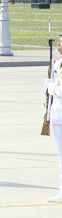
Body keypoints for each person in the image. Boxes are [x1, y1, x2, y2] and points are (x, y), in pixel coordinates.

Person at [44, 36, 62, 203]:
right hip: (57, 115)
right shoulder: (57, 64)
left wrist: (51, 87)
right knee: (60, 157)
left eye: (61, 42)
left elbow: (59, 90)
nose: (58, 44)